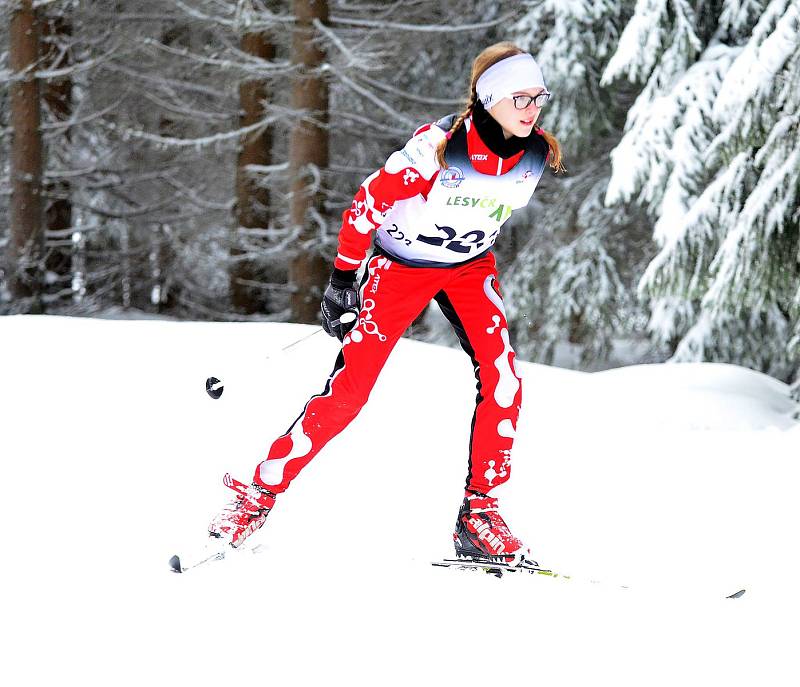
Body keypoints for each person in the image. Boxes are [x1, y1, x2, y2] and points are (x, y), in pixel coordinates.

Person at [209, 42, 564, 565]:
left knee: (504, 378)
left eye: (539, 96)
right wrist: (342, 280)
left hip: (469, 269)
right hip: (400, 269)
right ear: (489, 100)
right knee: (349, 394)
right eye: (522, 98)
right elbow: (364, 206)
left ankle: (480, 516)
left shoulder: (536, 153)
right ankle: (256, 495)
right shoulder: (436, 148)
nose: (534, 109)